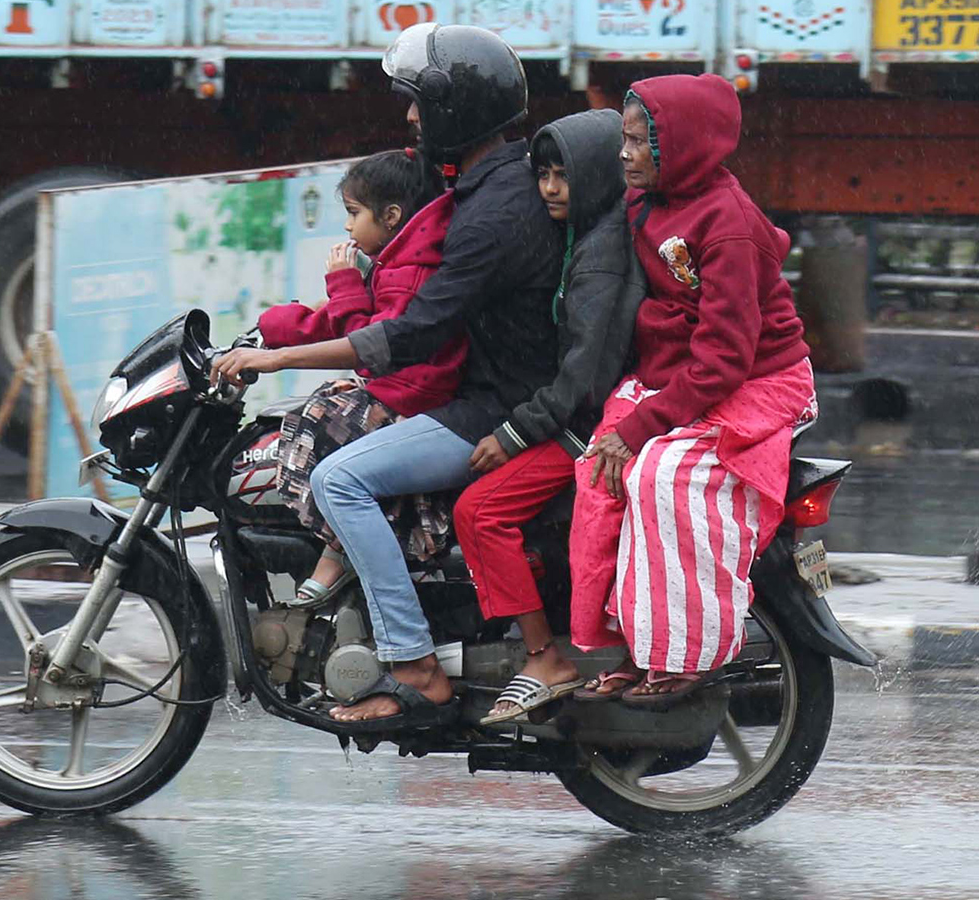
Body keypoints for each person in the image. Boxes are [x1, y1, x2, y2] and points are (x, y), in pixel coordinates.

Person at [212, 23, 564, 725]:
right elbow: (397, 294)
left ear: (454, 109)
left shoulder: (487, 215)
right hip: (486, 392)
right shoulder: (483, 184)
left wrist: (273, 359)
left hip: (493, 407)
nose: (410, 117)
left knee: (339, 477)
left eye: (419, 103)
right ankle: (347, 588)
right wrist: (299, 320)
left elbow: (407, 334)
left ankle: (413, 664)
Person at [568, 74, 818, 706]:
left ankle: (689, 653)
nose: (622, 154)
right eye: (622, 140)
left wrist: (640, 427)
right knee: (598, 475)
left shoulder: (727, 225)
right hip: (676, 377)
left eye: (635, 142)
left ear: (677, 146)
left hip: (757, 381)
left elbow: (726, 359)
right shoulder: (647, 200)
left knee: (665, 475)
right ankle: (634, 642)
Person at [450, 110, 646, 724]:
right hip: (581, 415)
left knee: (479, 512)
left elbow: (583, 375)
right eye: (543, 175)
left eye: (565, 175)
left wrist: (515, 431)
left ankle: (543, 656)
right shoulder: (587, 234)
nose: (550, 189)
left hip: (585, 428)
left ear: (594, 175)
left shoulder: (600, 254)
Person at [257, 148, 466, 606]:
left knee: (313, 418)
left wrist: (343, 283)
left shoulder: (412, 271)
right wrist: (273, 327)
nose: (348, 227)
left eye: (354, 213)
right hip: (405, 391)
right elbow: (344, 323)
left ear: (391, 216)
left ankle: (343, 548)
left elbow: (371, 348)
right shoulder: (400, 263)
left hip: (416, 401)